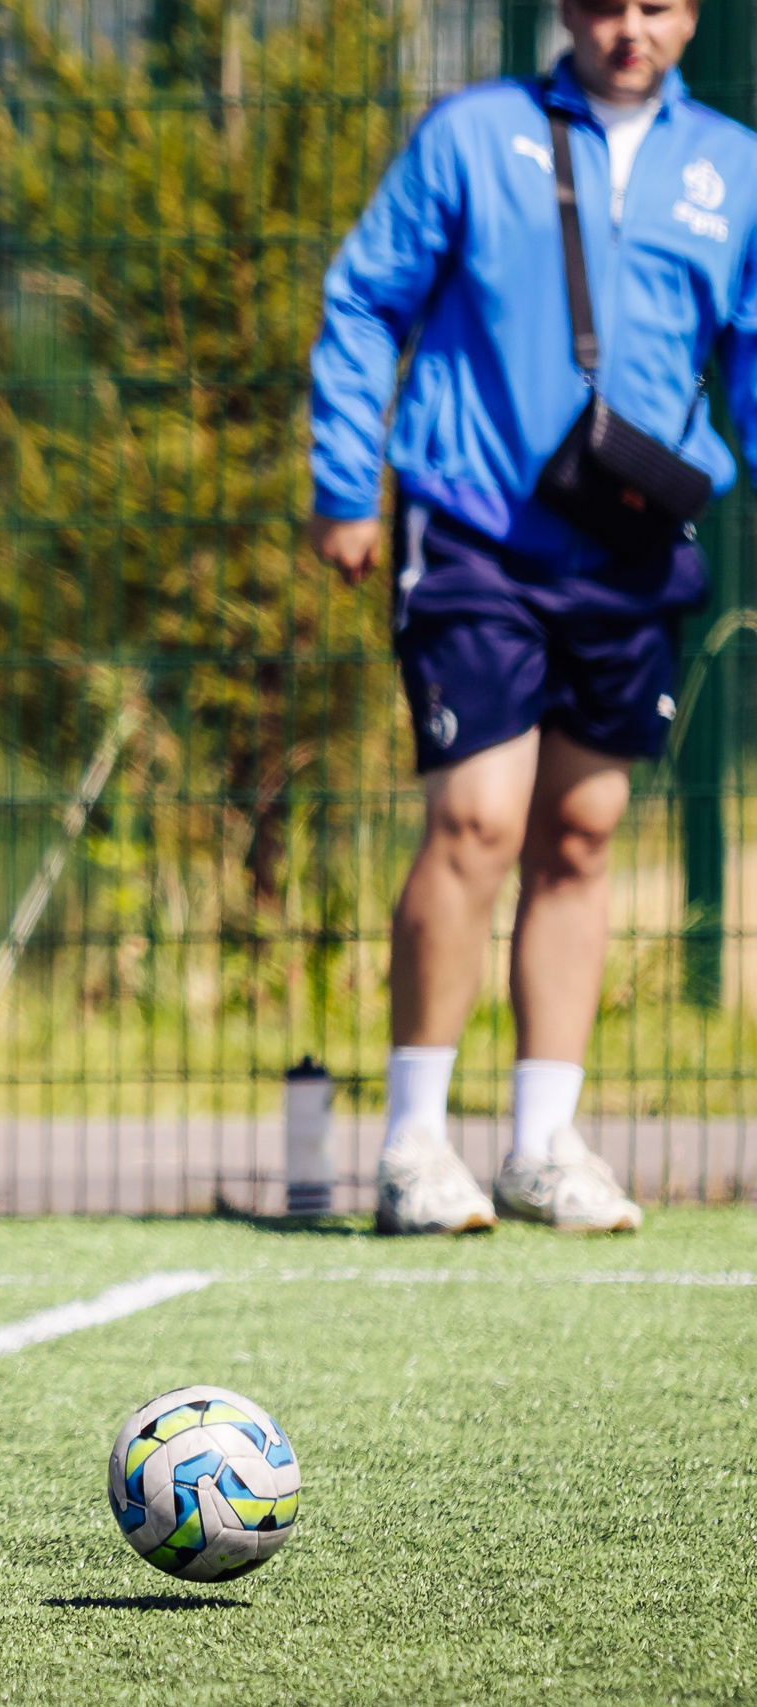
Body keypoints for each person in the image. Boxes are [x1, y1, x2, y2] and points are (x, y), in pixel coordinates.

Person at [308, 0, 755, 1235]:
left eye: (656, 5)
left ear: (692, 14)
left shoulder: (731, 165)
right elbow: (363, 301)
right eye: (606, 3)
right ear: (565, 8)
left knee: (582, 830)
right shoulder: (471, 134)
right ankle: (412, 1146)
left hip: (630, 538)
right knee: (477, 818)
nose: (629, 29)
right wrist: (343, 484)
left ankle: (542, 1145)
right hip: (471, 527)